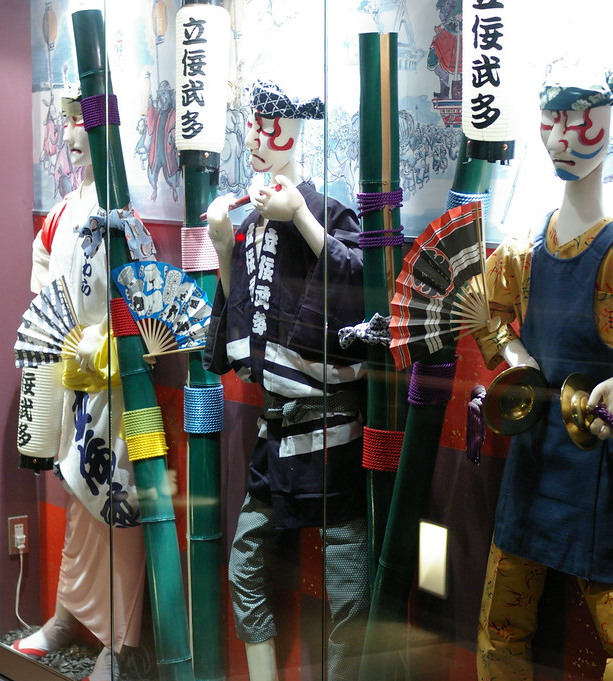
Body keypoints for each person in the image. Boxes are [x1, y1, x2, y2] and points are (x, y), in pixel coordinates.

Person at [473, 68, 613, 681]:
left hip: (599, 463)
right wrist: (516, 358)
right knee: (500, 625)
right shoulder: (523, 248)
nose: (563, 136)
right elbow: (485, 311)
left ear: (607, 122)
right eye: (553, 119)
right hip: (533, 451)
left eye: (579, 119)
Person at [203, 79, 368, 681]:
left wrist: (299, 215)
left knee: (349, 586)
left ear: (293, 132)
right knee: (244, 566)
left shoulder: (330, 211)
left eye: (266, 126)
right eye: (250, 125)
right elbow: (240, 322)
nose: (254, 138)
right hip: (275, 430)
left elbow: (361, 288)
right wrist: (224, 247)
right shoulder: (249, 224)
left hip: (332, 431)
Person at [11, 95, 146, 681]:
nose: (70, 135)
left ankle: (119, 643)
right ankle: (67, 616)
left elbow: (145, 294)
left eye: (81, 123)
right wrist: (54, 333)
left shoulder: (122, 211)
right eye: (65, 122)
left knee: (115, 503)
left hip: (116, 385)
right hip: (71, 377)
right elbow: (42, 268)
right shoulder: (64, 209)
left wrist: (109, 341)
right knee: (75, 495)